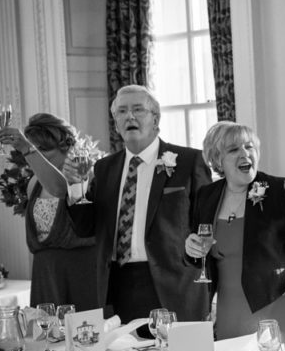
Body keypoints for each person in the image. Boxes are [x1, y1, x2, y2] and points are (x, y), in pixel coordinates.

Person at [62, 85, 212, 324]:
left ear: (155, 118)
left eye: (137, 110)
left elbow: (207, 221)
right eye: (122, 111)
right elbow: (85, 228)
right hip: (118, 285)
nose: (129, 116)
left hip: (174, 284)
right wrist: (75, 186)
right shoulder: (104, 168)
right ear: (116, 122)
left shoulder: (188, 161)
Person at [184, 122, 285, 350]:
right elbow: (198, 250)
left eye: (249, 147)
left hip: (273, 305)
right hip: (228, 309)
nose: (245, 154)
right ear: (217, 159)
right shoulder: (207, 195)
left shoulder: (279, 190)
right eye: (233, 150)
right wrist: (191, 249)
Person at [0, 114, 97, 310]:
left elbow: (60, 189)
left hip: (80, 270)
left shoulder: (84, 175)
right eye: (34, 149)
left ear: (65, 146)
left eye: (43, 149)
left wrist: (27, 148)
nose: (37, 156)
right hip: (45, 272)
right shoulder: (34, 182)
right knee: (47, 334)